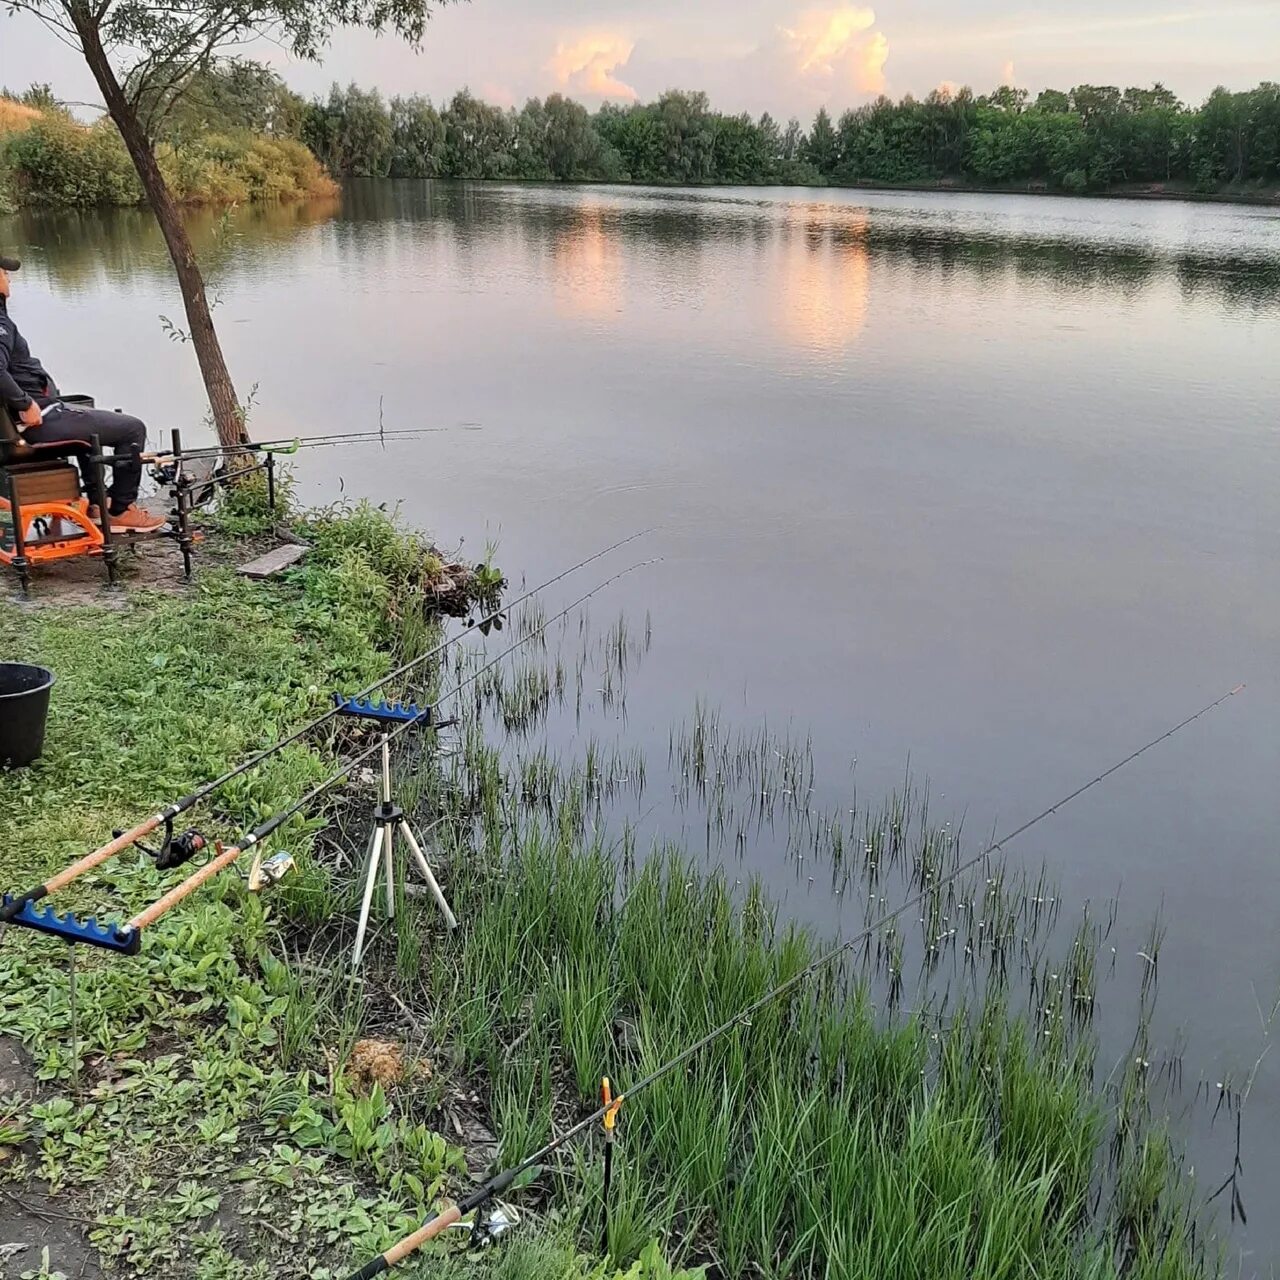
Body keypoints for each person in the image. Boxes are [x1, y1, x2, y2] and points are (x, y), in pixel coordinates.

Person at [0, 254, 165, 532]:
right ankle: (120, 510)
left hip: (41, 414)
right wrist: (25, 403)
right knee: (132, 429)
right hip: (33, 424)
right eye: (4, 272)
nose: (9, 276)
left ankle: (100, 503)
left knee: (91, 423)